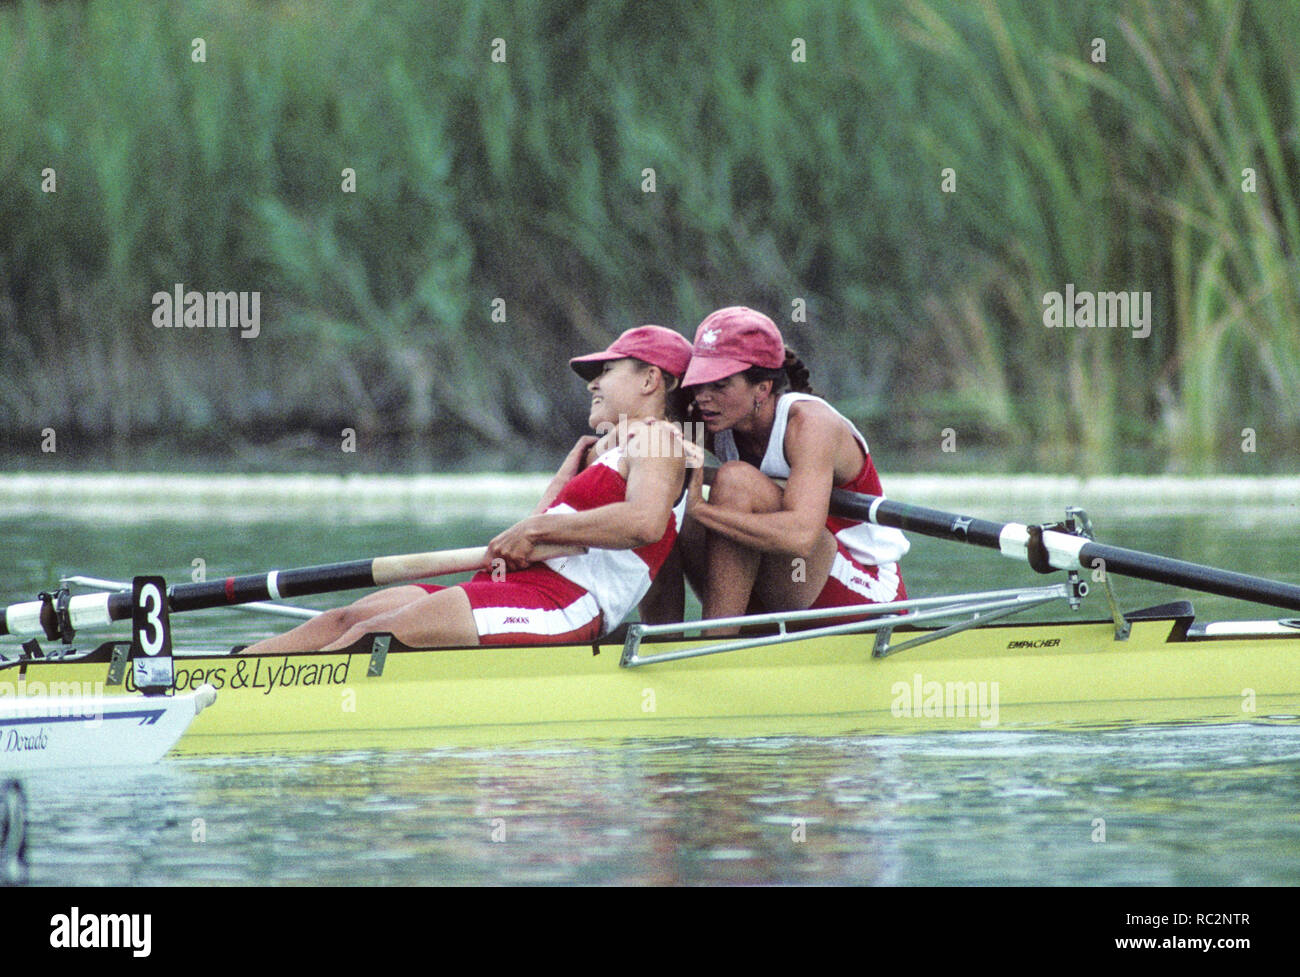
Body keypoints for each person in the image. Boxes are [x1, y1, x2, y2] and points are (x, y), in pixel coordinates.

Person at [239, 325, 694, 653]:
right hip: (510, 586)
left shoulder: (662, 440)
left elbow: (645, 522)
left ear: (651, 379)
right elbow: (526, 543)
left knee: (378, 634)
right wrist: (560, 485)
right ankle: (231, 671)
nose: (593, 383)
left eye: (607, 370)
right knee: (348, 618)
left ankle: (261, 702)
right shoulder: (598, 453)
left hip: (566, 605)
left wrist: (535, 527)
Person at [677, 306, 909, 633]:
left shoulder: (810, 425)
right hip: (799, 591)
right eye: (698, 383)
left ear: (763, 388)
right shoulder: (717, 418)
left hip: (870, 595)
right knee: (671, 500)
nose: (703, 397)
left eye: (720, 385)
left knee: (734, 483)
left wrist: (700, 510)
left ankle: (712, 647)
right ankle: (668, 639)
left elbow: (799, 537)